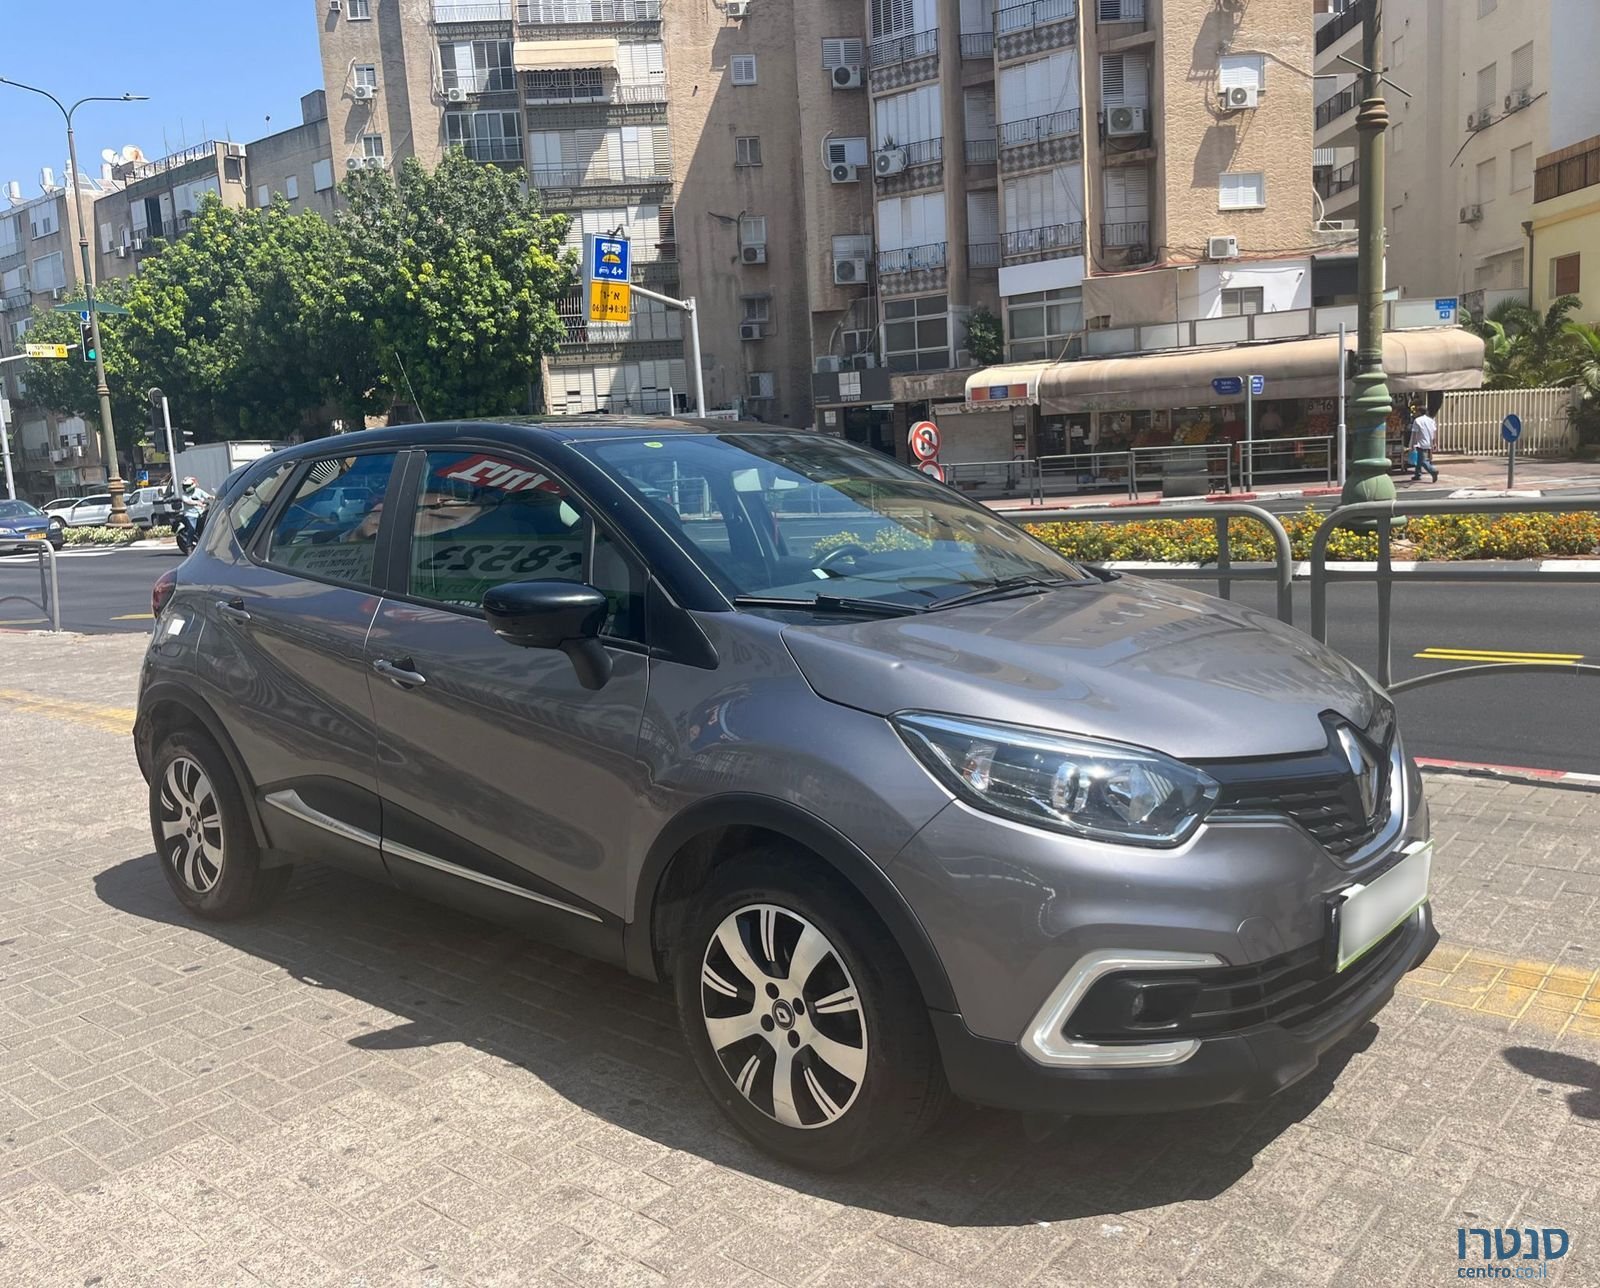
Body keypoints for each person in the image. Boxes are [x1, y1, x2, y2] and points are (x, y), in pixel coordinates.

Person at [1408, 406, 1440, 483]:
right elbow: (1434, 432)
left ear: (1419, 412)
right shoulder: (1430, 420)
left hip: (1420, 443)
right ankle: (1417, 474)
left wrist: (1412, 444)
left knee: (1422, 461)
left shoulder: (1417, 420)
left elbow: (1415, 433)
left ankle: (1432, 471)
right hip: (1428, 442)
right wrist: (1434, 442)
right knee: (1419, 459)